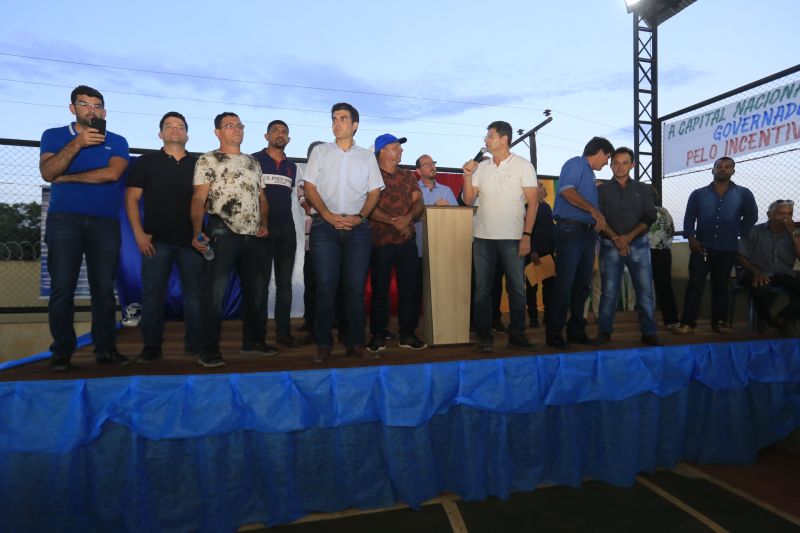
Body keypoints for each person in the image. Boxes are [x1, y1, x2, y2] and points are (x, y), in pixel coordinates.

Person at [39, 85, 131, 371]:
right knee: (62, 289)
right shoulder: (53, 136)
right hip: (64, 220)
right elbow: (48, 171)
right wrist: (77, 143)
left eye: (98, 106)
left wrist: (67, 178)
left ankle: (105, 350)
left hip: (105, 223)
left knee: (104, 290)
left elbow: (112, 174)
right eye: (85, 104)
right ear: (73, 108)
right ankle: (62, 353)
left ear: (104, 111)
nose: (92, 110)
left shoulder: (116, 141)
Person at [302, 103, 384, 363]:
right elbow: (309, 186)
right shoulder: (320, 151)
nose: (337, 123)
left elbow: (375, 192)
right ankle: (323, 344)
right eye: (334, 119)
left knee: (355, 289)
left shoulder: (366, 156)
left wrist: (359, 217)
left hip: (357, 230)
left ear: (355, 125)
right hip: (324, 228)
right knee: (325, 288)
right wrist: (327, 215)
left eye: (343, 119)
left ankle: (356, 342)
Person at [191, 112, 274, 368]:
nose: (236, 129)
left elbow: (261, 197)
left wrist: (264, 224)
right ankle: (208, 350)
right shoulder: (208, 159)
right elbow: (198, 199)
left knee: (257, 292)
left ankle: (253, 342)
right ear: (218, 132)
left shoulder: (253, 162)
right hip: (222, 231)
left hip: (254, 236)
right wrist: (197, 231)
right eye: (229, 125)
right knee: (214, 295)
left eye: (239, 125)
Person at [125, 111, 203, 362]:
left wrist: (200, 233)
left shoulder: (199, 164)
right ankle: (151, 345)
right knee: (153, 295)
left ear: (187, 134)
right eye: (169, 126)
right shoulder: (145, 162)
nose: (174, 129)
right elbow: (132, 198)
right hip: (155, 241)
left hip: (190, 241)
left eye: (180, 126)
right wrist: (138, 233)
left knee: (194, 295)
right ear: (160, 133)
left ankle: (194, 343)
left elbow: (205, 201)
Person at [462, 121, 538, 352]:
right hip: (483, 236)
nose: (486, 140)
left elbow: (533, 203)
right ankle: (484, 334)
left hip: (513, 237)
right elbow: (467, 200)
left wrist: (527, 236)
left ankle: (517, 333)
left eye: (490, 136)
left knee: (516, 287)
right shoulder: (481, 168)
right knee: (482, 288)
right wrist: (467, 175)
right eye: (486, 136)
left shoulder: (523, 166)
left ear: (504, 139)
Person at [675, 157, 757, 334]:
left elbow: (752, 217)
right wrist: (691, 238)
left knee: (721, 286)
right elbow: (689, 219)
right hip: (701, 247)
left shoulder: (743, 194)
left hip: (727, 248)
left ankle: (718, 322)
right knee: (695, 284)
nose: (723, 169)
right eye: (719, 166)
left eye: (728, 167)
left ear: (733, 171)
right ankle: (688, 323)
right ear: (712, 170)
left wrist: (737, 232)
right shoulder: (698, 194)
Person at [546, 137, 613, 349]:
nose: (607, 163)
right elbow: (567, 191)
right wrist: (593, 209)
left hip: (586, 233)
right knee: (565, 284)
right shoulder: (575, 163)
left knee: (582, 285)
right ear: (600, 152)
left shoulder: (590, 175)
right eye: (608, 158)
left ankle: (576, 330)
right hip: (571, 230)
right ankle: (554, 333)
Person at [594, 147, 662, 346]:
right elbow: (599, 218)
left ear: (632, 165)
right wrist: (617, 239)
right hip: (609, 245)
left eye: (625, 163)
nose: (619, 166)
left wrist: (627, 238)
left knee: (645, 290)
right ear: (611, 165)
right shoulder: (602, 190)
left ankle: (649, 332)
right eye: (615, 163)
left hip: (639, 245)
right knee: (609, 290)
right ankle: (604, 332)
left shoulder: (644, 189)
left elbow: (650, 216)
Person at [366, 134, 426, 353]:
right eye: (395, 147)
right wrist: (395, 222)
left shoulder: (408, 175)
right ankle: (378, 335)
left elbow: (418, 202)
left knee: (409, 290)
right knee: (380, 291)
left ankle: (408, 334)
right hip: (380, 241)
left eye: (400, 148)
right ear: (382, 150)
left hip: (407, 241)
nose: (400, 151)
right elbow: (368, 206)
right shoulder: (370, 175)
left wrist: (407, 219)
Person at [253, 120, 300, 347]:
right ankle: (257, 335)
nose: (280, 135)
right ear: (266, 136)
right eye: (275, 131)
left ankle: (283, 333)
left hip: (286, 230)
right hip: (261, 230)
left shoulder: (292, 166)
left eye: (284, 132)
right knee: (260, 285)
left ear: (288, 139)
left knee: (285, 285)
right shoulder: (254, 160)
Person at [737, 199, 800, 334]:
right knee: (761, 286)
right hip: (755, 271)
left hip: (783, 273)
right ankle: (764, 321)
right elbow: (739, 256)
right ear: (770, 215)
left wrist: (793, 233)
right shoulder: (754, 231)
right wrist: (755, 271)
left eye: (789, 214)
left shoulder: (794, 233)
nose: (785, 217)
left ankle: (784, 318)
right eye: (781, 213)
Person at [297, 140, 325, 343]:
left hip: (335, 241)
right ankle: (310, 321)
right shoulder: (304, 180)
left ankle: (331, 321)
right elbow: (307, 205)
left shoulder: (335, 178)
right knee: (312, 283)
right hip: (312, 241)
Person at [648, 188, 680, 331]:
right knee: (665, 286)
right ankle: (672, 320)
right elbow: (672, 231)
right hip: (664, 252)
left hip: (646, 252)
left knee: (645, 288)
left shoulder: (640, 212)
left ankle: (647, 321)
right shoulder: (664, 211)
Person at [528, 184, 555, 328]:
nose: (543, 187)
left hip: (548, 251)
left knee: (549, 286)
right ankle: (533, 317)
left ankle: (548, 315)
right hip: (534, 253)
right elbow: (526, 230)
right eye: (539, 185)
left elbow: (551, 228)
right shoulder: (528, 207)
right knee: (532, 287)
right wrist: (532, 251)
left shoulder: (547, 207)